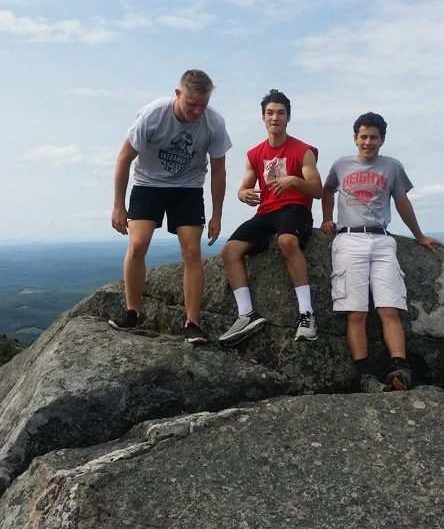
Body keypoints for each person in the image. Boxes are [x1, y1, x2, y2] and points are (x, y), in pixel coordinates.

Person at [321, 111, 444, 393]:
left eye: (374, 137)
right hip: (349, 239)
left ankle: (399, 369)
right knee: (356, 313)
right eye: (363, 136)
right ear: (355, 138)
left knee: (390, 308)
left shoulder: (392, 166)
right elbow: (327, 191)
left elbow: (402, 203)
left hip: (382, 240)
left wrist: (419, 236)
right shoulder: (340, 165)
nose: (368, 142)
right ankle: (365, 377)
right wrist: (327, 218)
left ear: (382, 140)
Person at [108, 69, 232, 343]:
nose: (197, 111)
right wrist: (118, 205)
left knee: (192, 251)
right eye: (192, 104)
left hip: (188, 187)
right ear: (178, 94)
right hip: (148, 184)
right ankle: (132, 312)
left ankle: (192, 322)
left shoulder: (214, 122)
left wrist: (217, 215)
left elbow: (219, 171)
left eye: (203, 105)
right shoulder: (153, 115)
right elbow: (124, 158)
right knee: (137, 244)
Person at [219, 89, 322, 344]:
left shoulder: (303, 151)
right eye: (270, 113)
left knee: (287, 241)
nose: (275, 117)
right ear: (263, 117)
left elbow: (317, 190)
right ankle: (246, 314)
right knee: (229, 251)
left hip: (295, 208)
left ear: (289, 117)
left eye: (281, 113)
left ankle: (307, 315)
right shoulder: (254, 154)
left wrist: (294, 181)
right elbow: (244, 187)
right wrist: (242, 194)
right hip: (266, 211)